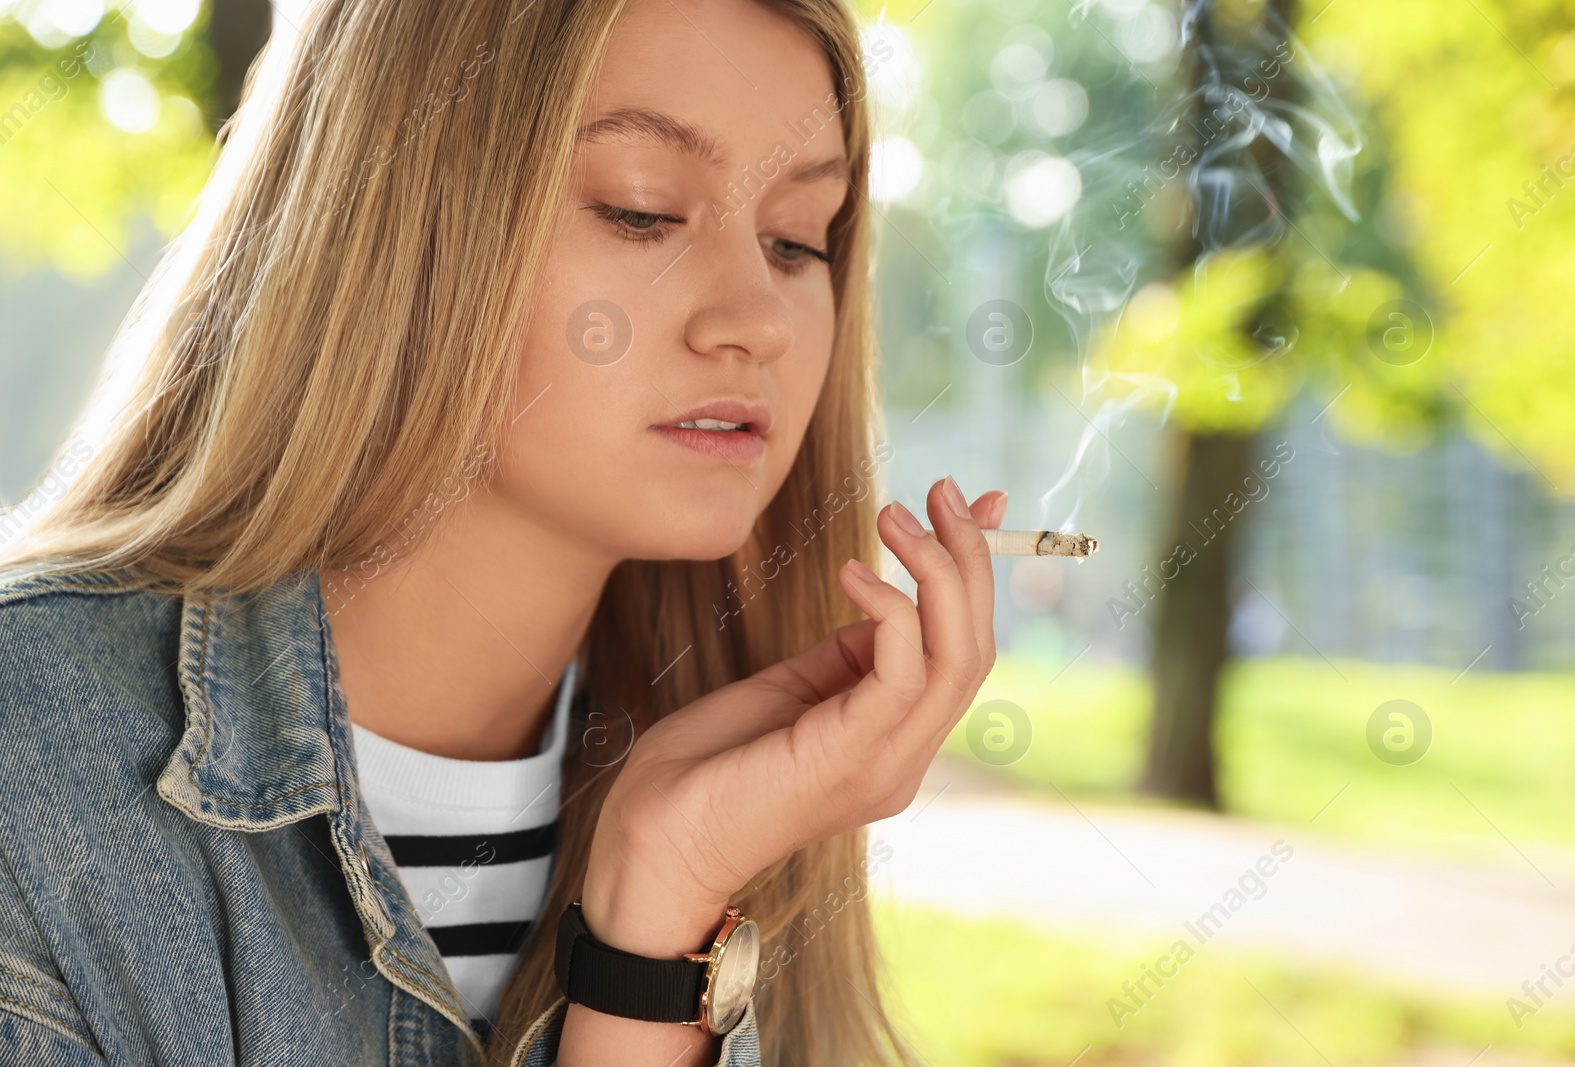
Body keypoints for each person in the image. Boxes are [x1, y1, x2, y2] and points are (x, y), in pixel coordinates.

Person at [0, 0, 1007, 1063]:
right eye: (642, 211)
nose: (757, 319)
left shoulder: (758, 802)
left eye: (798, 240)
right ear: (392, 217)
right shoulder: (33, 765)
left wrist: (663, 907)